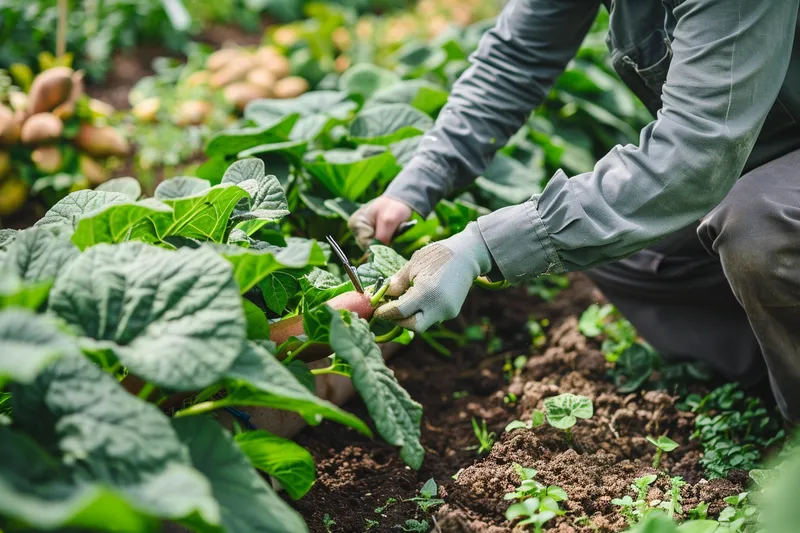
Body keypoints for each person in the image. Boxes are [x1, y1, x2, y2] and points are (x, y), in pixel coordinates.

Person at [347, 0, 800, 422]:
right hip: (747, 158)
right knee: (622, 250)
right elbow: (516, 58)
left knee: (756, 226)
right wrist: (416, 183)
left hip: (738, 162)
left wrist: (481, 246)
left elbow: (695, 153)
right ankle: (775, 365)